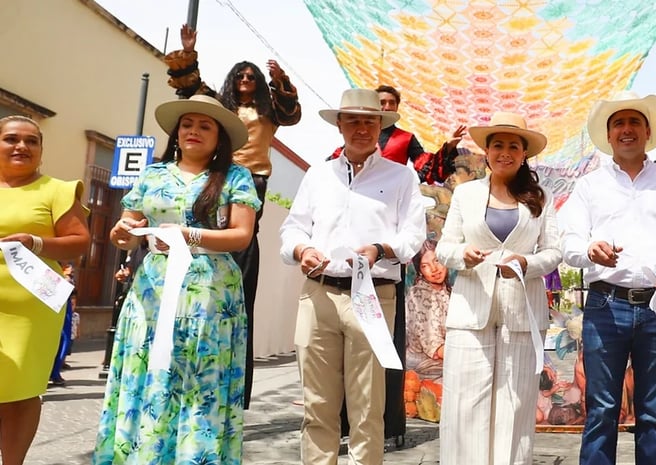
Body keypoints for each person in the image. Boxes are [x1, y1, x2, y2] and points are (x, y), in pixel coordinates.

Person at [94, 94, 260, 464]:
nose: (193, 131)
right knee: (149, 369)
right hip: (153, 288)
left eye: (204, 126)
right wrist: (121, 234)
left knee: (200, 379)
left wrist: (189, 236)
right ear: (176, 132)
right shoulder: (152, 175)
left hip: (210, 293)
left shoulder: (235, 177)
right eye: (187, 124)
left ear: (219, 137)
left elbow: (241, 236)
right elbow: (128, 229)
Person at [280, 88, 426, 465]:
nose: (361, 128)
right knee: (317, 404)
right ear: (339, 125)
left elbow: (413, 236)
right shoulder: (318, 174)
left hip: (372, 295)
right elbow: (293, 228)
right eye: (353, 121)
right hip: (319, 293)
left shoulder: (401, 177)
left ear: (380, 127)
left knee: (367, 406)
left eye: (369, 121)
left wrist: (381, 248)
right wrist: (302, 250)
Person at [164, 24, 302, 408]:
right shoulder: (221, 108)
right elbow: (192, 89)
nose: (244, 80)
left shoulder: (268, 110)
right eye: (240, 75)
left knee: (240, 249)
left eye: (250, 76)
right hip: (218, 177)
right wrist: (189, 52)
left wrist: (281, 82)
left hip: (251, 181)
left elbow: (292, 113)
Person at [559, 91, 656, 465]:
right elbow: (569, 241)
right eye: (618, 123)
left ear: (647, 131)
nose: (627, 129)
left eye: (634, 121)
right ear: (608, 135)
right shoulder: (589, 186)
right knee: (602, 409)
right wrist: (590, 249)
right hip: (605, 306)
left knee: (654, 411)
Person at [436, 111, 562, 465]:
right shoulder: (465, 194)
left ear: (524, 154)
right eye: (498, 145)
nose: (505, 152)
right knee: (465, 405)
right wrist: (463, 255)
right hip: (470, 313)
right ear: (487, 151)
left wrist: (526, 264)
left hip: (522, 314)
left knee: (515, 406)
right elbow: (444, 247)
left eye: (513, 146)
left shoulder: (541, 197)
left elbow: (554, 251)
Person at [0, 115, 90, 465]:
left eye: (31, 141)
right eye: (11, 139)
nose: (21, 146)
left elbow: (79, 242)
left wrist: (35, 242)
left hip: (31, 309)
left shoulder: (57, 190)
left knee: (19, 391)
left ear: (41, 149)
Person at [326, 85, 465, 185]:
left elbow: (425, 168)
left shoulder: (406, 138)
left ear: (397, 107)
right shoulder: (361, 134)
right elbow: (338, 161)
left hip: (391, 194)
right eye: (382, 103)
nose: (387, 107)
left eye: (391, 103)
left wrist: (448, 147)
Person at [405, 238, 451, 374]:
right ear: (420, 271)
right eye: (425, 266)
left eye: (437, 260)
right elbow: (433, 344)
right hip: (425, 364)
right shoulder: (418, 294)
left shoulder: (449, 290)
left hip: (447, 356)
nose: (434, 269)